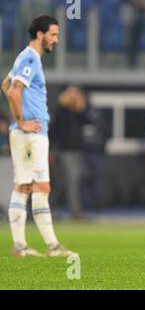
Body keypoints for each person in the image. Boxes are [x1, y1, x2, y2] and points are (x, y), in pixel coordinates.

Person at [0, 15, 77, 257]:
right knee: (41, 186)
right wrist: (21, 120)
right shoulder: (30, 57)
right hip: (31, 134)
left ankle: (21, 246)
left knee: (23, 186)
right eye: (53, 34)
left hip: (25, 133)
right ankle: (52, 246)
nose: (56, 39)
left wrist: (18, 120)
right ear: (40, 35)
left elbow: (5, 85)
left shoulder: (25, 57)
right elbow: (13, 91)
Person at [49, 85, 88, 219]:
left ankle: (75, 211)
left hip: (76, 150)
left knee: (74, 181)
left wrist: (81, 106)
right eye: (71, 92)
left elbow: (87, 121)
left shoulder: (77, 111)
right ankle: (52, 210)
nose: (73, 95)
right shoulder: (61, 110)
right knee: (59, 182)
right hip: (62, 151)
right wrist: (50, 150)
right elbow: (53, 131)